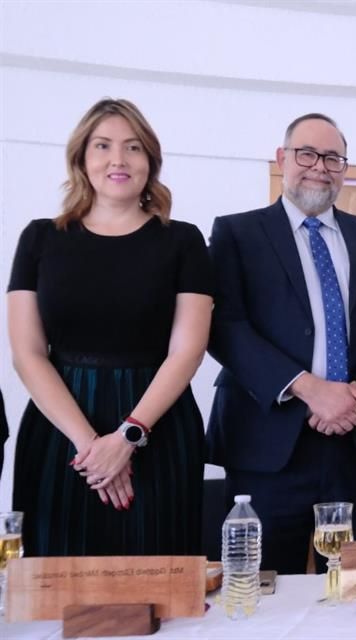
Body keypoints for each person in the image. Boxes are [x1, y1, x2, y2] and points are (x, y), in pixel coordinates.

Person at [206, 113, 356, 574]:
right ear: (282, 158)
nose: (320, 167)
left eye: (332, 158)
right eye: (307, 154)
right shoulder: (236, 233)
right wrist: (309, 388)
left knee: (355, 587)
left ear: (344, 168)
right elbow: (225, 325)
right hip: (266, 443)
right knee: (262, 586)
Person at [7, 98, 213, 556]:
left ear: (150, 161)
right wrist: (92, 447)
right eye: (102, 146)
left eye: (133, 147)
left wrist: (128, 437)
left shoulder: (183, 240)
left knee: (160, 575)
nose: (118, 159)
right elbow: (27, 354)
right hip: (61, 427)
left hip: (158, 423)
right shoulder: (40, 237)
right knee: (56, 578)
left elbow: (187, 351)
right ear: (81, 158)